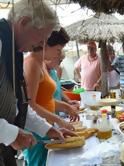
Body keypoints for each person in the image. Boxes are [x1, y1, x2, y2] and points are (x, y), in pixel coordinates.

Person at [0, 0, 75, 165]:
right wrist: (9, 133)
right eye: (41, 39)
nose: (40, 46)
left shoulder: (14, 50)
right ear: (24, 22)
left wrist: (48, 129)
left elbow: (20, 105)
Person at [23, 28, 80, 165]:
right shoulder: (31, 64)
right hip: (37, 130)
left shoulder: (41, 63)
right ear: (46, 45)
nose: (59, 55)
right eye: (58, 50)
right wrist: (59, 120)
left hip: (46, 127)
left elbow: (46, 99)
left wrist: (66, 107)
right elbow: (30, 105)